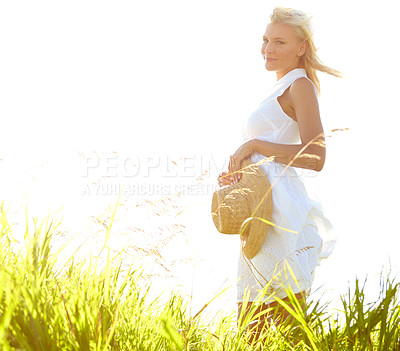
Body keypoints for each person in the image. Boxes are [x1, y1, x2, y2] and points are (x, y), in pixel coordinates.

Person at [217, 6, 340, 341]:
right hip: (261, 210)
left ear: (301, 47)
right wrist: (240, 172)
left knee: (285, 322)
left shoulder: (300, 85)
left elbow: (316, 155)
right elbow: (268, 151)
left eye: (279, 42)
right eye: (266, 40)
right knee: (251, 323)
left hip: (280, 213)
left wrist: (255, 144)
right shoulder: (281, 86)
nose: (268, 49)